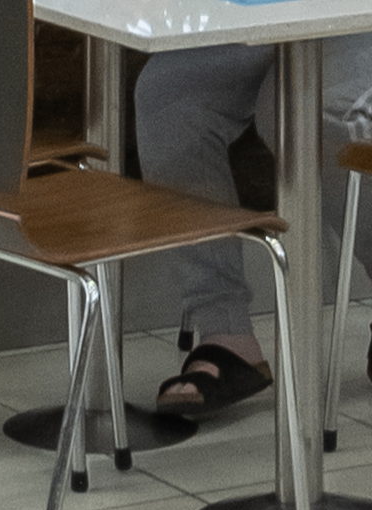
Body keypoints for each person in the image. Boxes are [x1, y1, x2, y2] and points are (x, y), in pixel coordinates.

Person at [134, 34, 372, 417]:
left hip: (354, 22)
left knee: (301, 109)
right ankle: (225, 331)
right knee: (167, 96)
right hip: (252, 18)